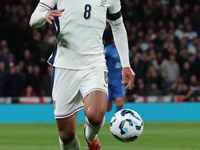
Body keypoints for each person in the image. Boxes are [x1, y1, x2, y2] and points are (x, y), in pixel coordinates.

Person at [29, 0, 135, 150]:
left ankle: (91, 137)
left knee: (96, 116)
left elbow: (117, 26)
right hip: (64, 67)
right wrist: (45, 14)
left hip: (94, 64)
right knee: (66, 135)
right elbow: (33, 20)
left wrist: (126, 64)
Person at [104, 42, 129, 113]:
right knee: (108, 108)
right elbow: (101, 62)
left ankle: (117, 121)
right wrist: (104, 75)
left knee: (120, 102)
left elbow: (127, 64)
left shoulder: (127, 51)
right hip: (108, 81)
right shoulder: (107, 50)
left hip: (119, 81)